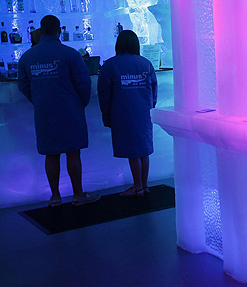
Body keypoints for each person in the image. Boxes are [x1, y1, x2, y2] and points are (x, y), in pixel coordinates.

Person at [17, 15, 100, 207]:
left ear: (41, 30)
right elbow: (84, 82)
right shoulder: (70, 54)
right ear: (59, 30)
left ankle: (55, 197)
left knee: (51, 153)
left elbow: (23, 84)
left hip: (45, 112)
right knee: (73, 152)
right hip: (70, 110)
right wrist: (80, 103)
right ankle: (78, 194)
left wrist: (38, 101)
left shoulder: (28, 57)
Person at [98, 30, 157, 196]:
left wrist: (106, 114)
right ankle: (144, 186)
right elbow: (154, 89)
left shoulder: (110, 65)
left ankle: (137, 186)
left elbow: (104, 94)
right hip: (144, 112)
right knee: (144, 149)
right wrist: (150, 107)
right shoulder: (146, 64)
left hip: (122, 112)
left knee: (132, 150)